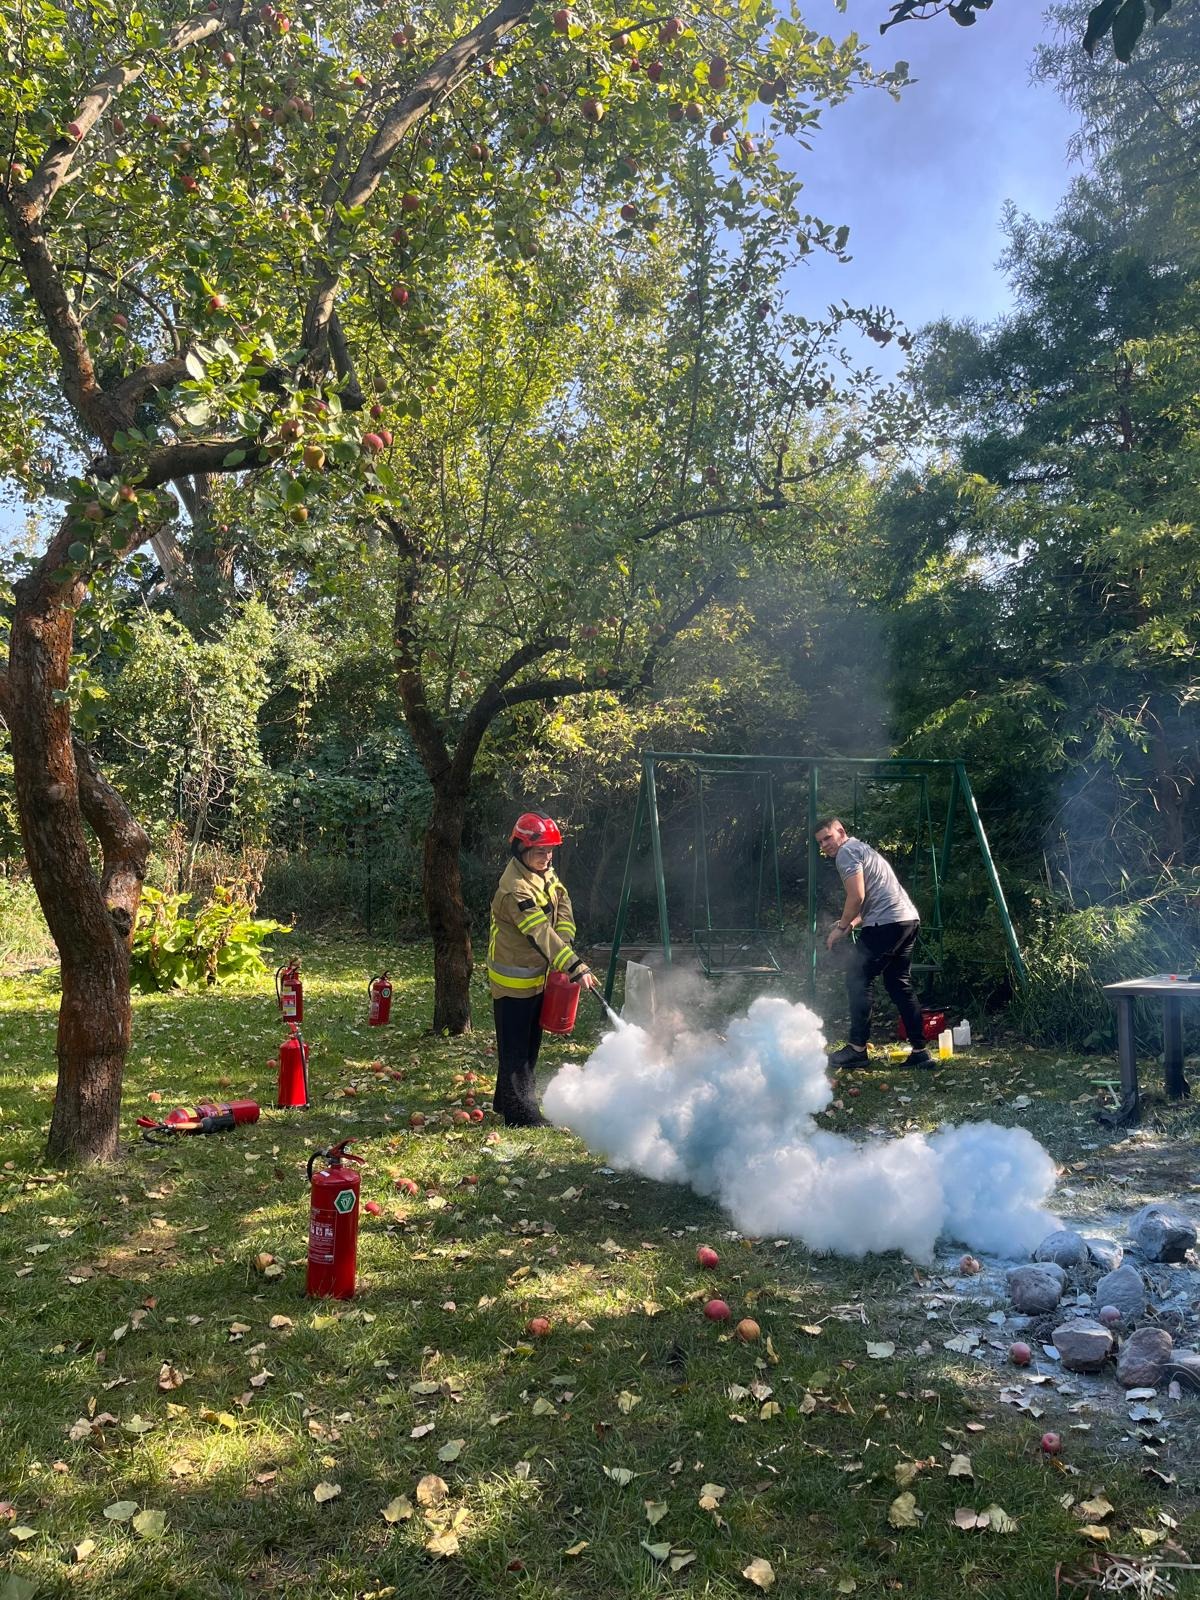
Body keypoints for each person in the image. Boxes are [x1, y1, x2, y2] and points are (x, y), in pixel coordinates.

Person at [487, 811, 598, 1126]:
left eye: (550, 851)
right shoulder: (515, 889)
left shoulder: (542, 872)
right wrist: (574, 966)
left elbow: (562, 901)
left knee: (529, 1044)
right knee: (516, 1051)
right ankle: (521, 1115)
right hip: (513, 979)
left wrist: (565, 944)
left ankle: (506, 1102)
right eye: (540, 851)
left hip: (536, 974)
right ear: (521, 849)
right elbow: (539, 932)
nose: (547, 857)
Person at [814, 816, 934, 1069]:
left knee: (857, 977)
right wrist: (852, 924)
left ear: (841, 831)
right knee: (898, 984)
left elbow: (856, 896)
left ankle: (857, 1050)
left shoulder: (846, 853)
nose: (825, 845)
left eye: (828, 837)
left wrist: (841, 928)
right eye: (820, 842)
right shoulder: (861, 848)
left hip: (887, 924)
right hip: (907, 920)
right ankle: (920, 1051)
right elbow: (870, 897)